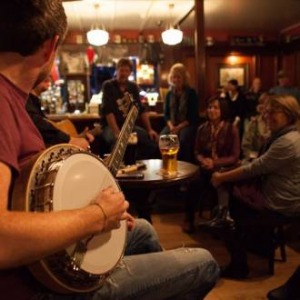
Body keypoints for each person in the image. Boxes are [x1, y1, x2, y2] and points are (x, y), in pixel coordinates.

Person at [0, 1, 220, 299]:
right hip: (39, 285)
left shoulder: (14, 102)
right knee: (204, 263)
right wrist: (98, 215)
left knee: (142, 231)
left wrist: (99, 213)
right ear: (50, 48)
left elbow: (23, 199)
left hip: (48, 261)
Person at [211, 94, 300, 278]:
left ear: (289, 114)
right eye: (266, 112)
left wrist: (221, 177)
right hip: (277, 194)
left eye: (273, 112)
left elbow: (255, 168)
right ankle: (253, 241)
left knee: (226, 206)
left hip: (279, 205)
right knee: (228, 195)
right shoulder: (287, 135)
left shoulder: (287, 141)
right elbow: (256, 164)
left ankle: (239, 265)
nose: (267, 116)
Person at [182, 97, 240, 233]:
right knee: (193, 183)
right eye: (209, 107)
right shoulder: (202, 128)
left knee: (221, 185)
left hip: (225, 170)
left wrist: (215, 162)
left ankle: (220, 221)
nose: (211, 110)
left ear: (222, 110)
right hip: (206, 168)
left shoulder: (231, 129)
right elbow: (196, 151)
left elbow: (235, 156)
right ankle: (188, 219)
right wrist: (203, 160)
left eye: (215, 107)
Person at [100, 57, 159, 160]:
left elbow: (141, 109)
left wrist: (150, 130)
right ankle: (116, 172)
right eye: (121, 70)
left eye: (126, 70)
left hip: (129, 127)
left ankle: (139, 166)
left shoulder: (133, 87)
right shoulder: (108, 86)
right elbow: (108, 112)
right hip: (110, 127)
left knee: (150, 141)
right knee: (116, 142)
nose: (123, 73)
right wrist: (117, 132)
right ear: (117, 70)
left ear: (130, 73)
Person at [26, 76, 94, 150]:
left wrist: (75, 137)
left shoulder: (34, 102)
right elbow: (36, 123)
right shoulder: (25, 100)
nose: (48, 77)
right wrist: (68, 140)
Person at [160, 63, 199, 162]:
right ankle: (168, 163)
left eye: (178, 77)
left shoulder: (191, 93)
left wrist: (178, 127)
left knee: (183, 139)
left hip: (187, 124)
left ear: (184, 78)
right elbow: (166, 114)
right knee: (163, 137)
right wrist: (172, 127)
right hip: (172, 124)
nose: (175, 80)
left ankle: (184, 166)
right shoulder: (169, 94)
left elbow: (192, 116)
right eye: (173, 77)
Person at [241, 92, 271, 161]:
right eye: (263, 104)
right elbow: (246, 147)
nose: (266, 108)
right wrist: (255, 158)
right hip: (256, 160)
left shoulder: (278, 124)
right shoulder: (254, 123)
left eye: (268, 105)